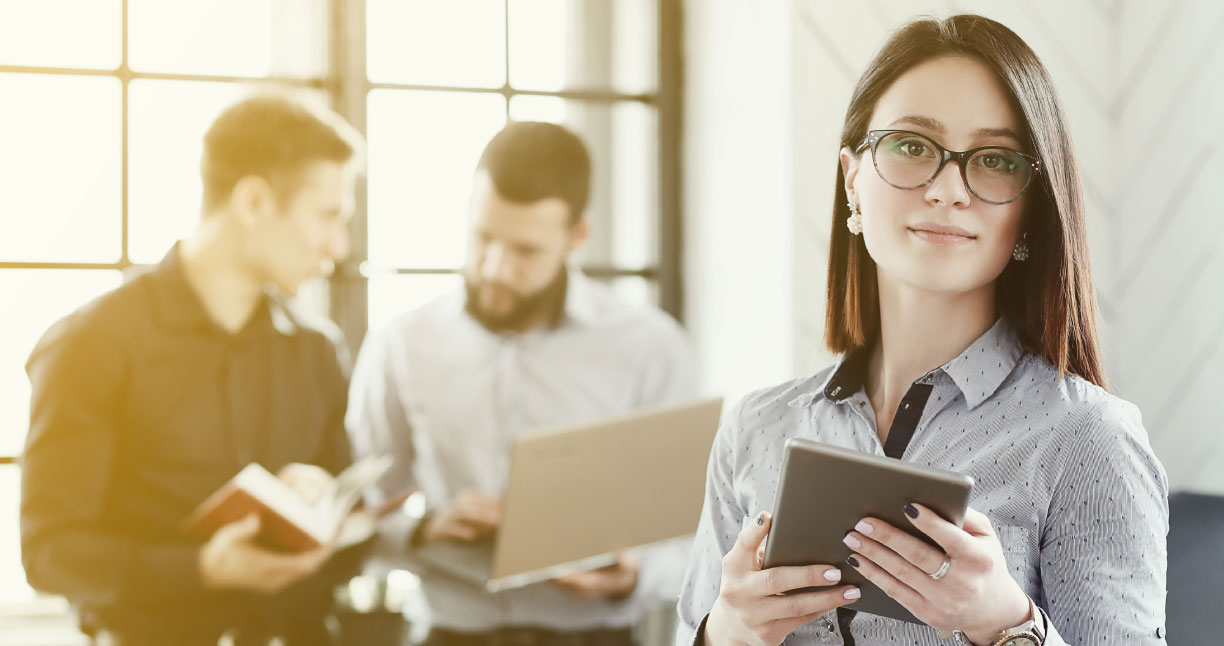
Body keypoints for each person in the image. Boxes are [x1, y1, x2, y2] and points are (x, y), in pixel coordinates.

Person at [678, 14, 1167, 646]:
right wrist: (729, 632)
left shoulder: (1089, 439)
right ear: (854, 179)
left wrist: (1005, 625)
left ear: (1029, 209)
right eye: (912, 145)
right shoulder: (755, 427)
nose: (947, 189)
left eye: (993, 160)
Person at [21, 93, 365, 646]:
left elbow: (355, 540)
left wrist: (324, 500)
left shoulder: (316, 351)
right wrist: (203, 568)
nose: (338, 246)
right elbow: (48, 554)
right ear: (253, 202)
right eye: (328, 216)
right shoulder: (91, 343)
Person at [347, 121, 697, 646]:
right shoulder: (401, 344)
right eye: (482, 238)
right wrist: (423, 530)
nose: (495, 268)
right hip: (449, 634)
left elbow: (697, 532)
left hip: (599, 636)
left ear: (578, 236)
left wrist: (637, 574)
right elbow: (357, 517)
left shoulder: (650, 346)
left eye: (526, 251)